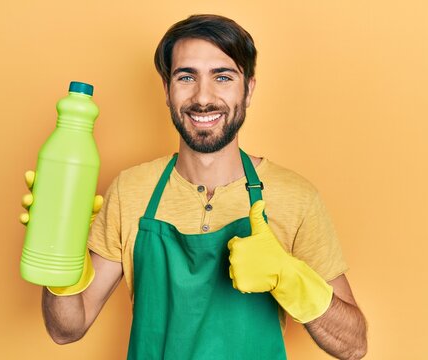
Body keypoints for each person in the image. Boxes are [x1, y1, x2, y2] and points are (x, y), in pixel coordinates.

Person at [23, 14, 367, 360]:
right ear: (167, 91)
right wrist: (58, 249)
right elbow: (66, 329)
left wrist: (290, 277)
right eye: (186, 77)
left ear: (248, 90)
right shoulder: (131, 191)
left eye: (223, 77)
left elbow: (354, 346)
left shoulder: (296, 198)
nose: (203, 97)